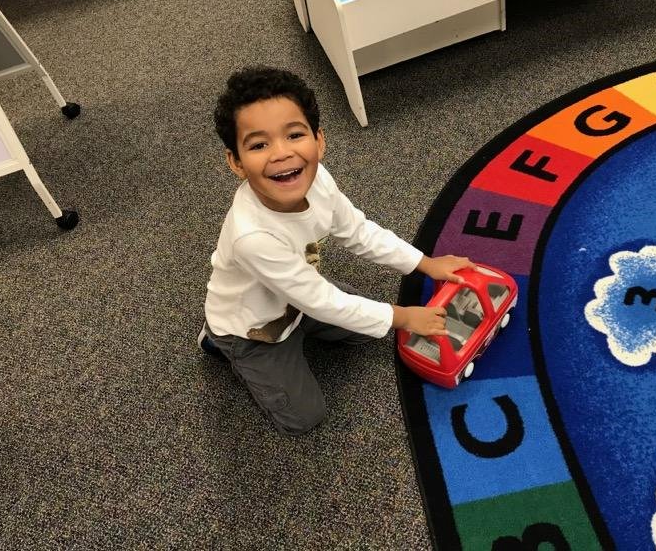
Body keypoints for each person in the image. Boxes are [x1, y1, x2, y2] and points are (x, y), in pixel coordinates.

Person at [199, 66, 477, 435]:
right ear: (236, 162)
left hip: (300, 297)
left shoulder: (318, 179)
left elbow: (357, 231)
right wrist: (404, 317)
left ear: (319, 141)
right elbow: (322, 301)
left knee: (365, 331)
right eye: (258, 144)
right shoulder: (252, 237)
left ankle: (301, 321)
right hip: (253, 328)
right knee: (304, 418)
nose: (281, 153)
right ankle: (218, 339)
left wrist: (424, 263)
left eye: (294, 135)